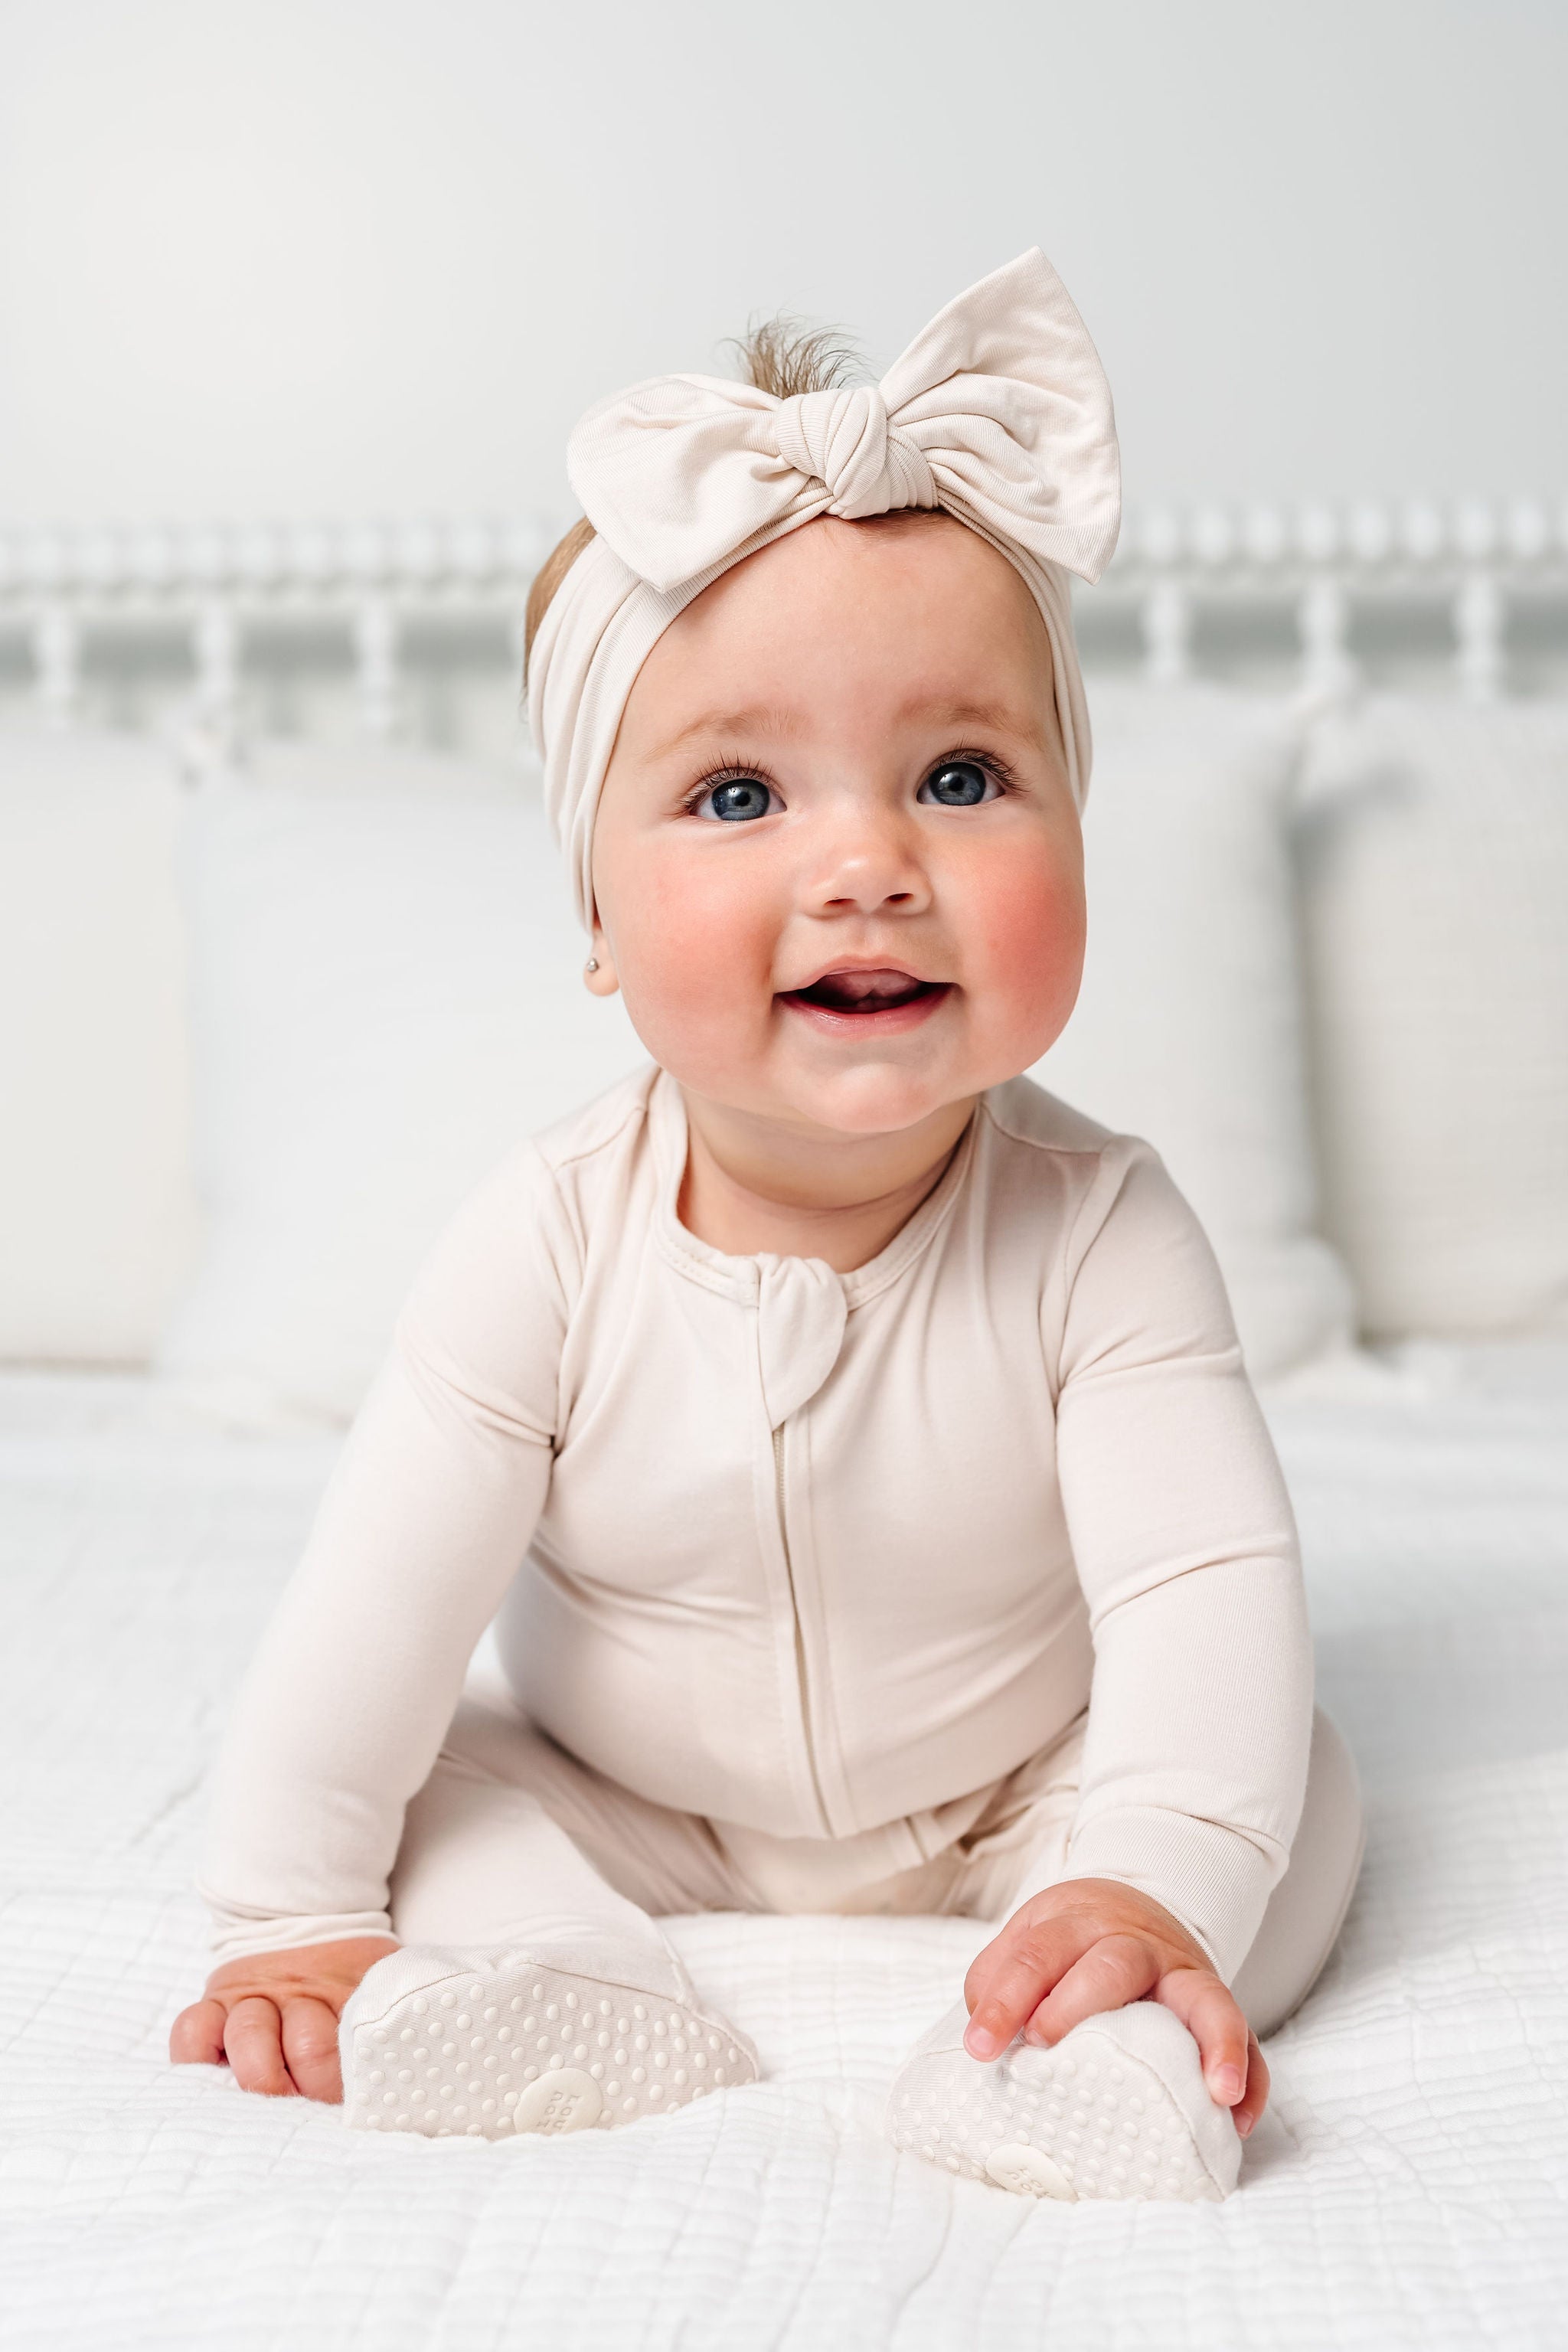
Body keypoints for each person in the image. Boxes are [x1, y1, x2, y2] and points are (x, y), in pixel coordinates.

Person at [170, 250, 1364, 2202]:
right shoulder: (545, 1240)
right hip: (634, 1797)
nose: (868, 865)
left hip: (1016, 1780)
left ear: (1079, 818)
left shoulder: (1103, 1232)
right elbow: (373, 1607)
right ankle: (564, 1979)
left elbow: (1195, 1586)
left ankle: (1094, 2019)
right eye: (736, 792)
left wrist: (1151, 1871)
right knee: (437, 1774)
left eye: (961, 776)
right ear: (592, 915)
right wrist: (281, 1907)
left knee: (1276, 1777)